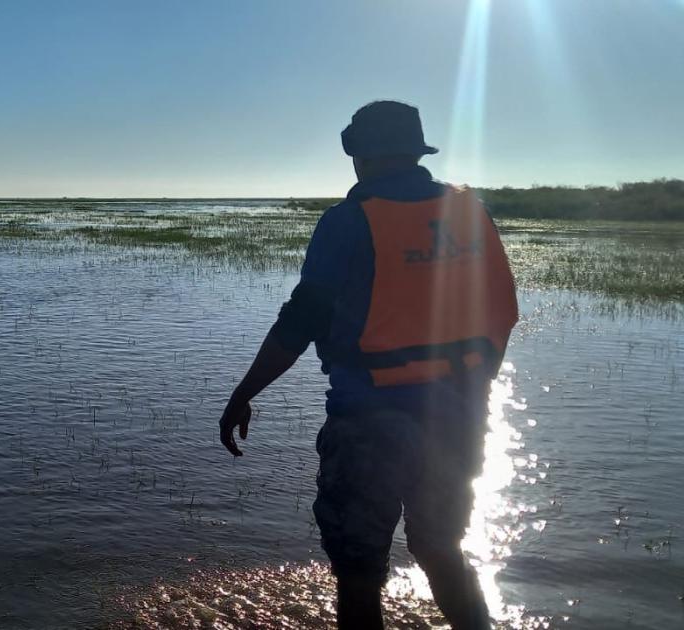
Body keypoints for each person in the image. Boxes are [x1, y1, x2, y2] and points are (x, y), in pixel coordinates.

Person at [217, 100, 518, 630]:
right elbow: (503, 313)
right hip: (458, 416)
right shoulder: (472, 213)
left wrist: (244, 394)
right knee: (441, 547)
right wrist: (473, 387)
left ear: (357, 153)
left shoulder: (347, 221)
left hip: (369, 420)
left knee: (358, 568)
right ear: (415, 150)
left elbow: (300, 320)